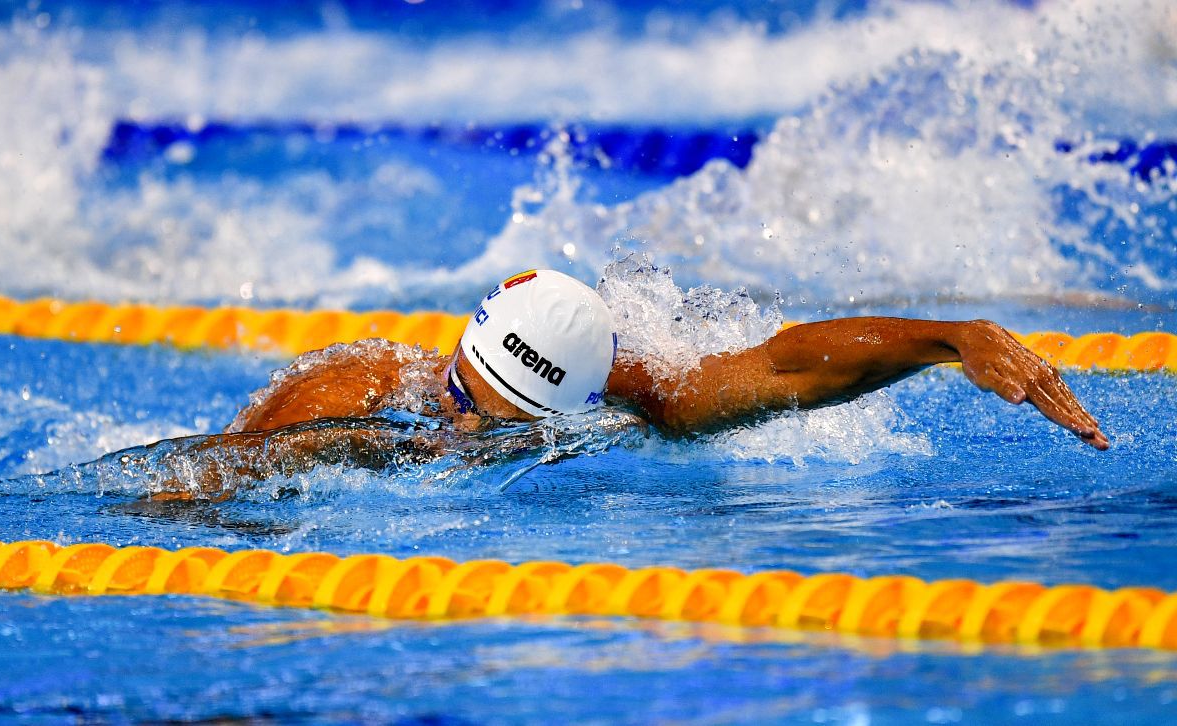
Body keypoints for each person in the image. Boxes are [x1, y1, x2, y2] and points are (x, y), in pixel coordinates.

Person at [148, 268, 1107, 499]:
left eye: (497, 419)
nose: (457, 424)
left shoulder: (637, 392)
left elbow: (780, 366)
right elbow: (185, 494)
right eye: (456, 392)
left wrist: (951, 338)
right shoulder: (334, 409)